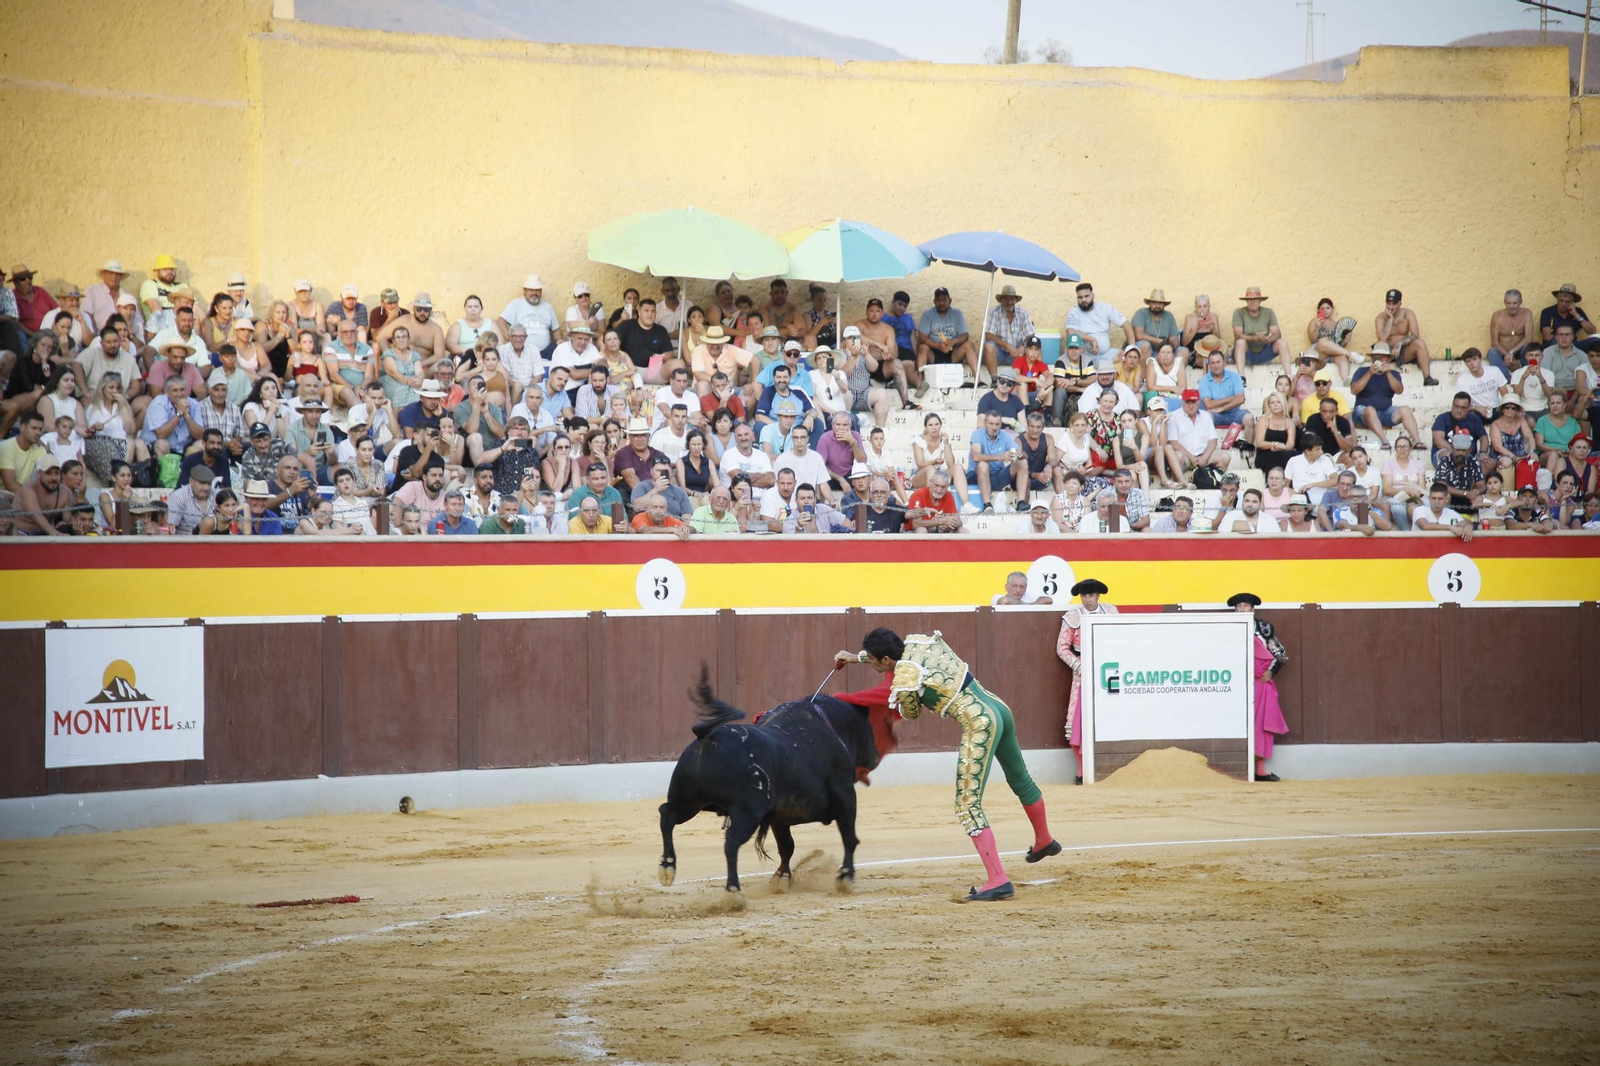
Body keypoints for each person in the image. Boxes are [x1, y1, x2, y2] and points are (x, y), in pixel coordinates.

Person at [833, 628, 1060, 901]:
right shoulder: (917, 643)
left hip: (980, 722)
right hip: (998, 708)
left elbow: (911, 713)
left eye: (873, 660)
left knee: (967, 805)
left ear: (886, 659)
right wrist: (855, 657)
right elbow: (896, 661)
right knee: (1020, 778)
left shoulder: (904, 678)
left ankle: (998, 880)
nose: (873, 665)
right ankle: (1044, 840)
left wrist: (894, 697)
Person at [1056, 579, 1116, 785]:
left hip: (1108, 672)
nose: (1087, 599)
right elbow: (1062, 648)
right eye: (1084, 596)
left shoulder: (1110, 612)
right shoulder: (1073, 617)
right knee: (1078, 722)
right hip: (1083, 674)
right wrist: (1079, 666)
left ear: (1098, 596)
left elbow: (1119, 638)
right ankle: (1081, 771)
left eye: (1091, 595)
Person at [1226, 593, 1290, 782]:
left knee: (1261, 725)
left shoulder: (1263, 629)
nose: (1241, 609)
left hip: (1259, 684)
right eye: (1238, 606)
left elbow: (1280, 654)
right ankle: (1237, 768)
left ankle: (1260, 770)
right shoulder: (1228, 628)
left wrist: (1271, 671)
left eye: (1245, 606)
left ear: (1252, 609)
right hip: (1235, 685)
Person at [1374, 288, 1438, 385]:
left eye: (1394, 304)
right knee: (1379, 345)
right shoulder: (1381, 318)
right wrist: (1390, 320)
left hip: (1403, 351)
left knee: (1420, 343)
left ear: (1400, 303)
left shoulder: (1408, 314)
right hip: (1387, 354)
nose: (1390, 307)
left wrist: (1399, 343)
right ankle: (1380, 378)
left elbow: (1415, 335)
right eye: (1388, 303)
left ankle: (1427, 378)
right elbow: (1382, 339)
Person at [916, 287, 978, 381]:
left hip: (953, 352)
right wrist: (938, 346)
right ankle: (919, 382)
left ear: (950, 301)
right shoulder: (927, 314)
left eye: (944, 299)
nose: (941, 303)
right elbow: (922, 337)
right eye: (938, 300)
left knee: (969, 345)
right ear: (934, 301)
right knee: (922, 348)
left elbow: (965, 335)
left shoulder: (957, 314)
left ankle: (978, 379)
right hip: (933, 352)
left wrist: (953, 342)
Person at [1163, 389, 1224, 485]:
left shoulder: (1206, 416)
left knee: (1224, 457)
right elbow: (1173, 442)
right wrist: (1191, 457)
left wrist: (1205, 457)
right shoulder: (1174, 416)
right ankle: (1180, 484)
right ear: (1182, 402)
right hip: (1185, 456)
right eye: (1188, 402)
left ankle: (1215, 483)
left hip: (1203, 454)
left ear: (1198, 402)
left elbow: (1213, 440)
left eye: (1193, 402)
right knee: (1177, 456)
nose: (1191, 405)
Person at [1197, 349, 1254, 442]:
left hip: (1234, 413)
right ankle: (1207, 447)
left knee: (1249, 418)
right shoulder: (1204, 380)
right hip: (1214, 414)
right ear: (1209, 365)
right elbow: (1208, 405)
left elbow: (1240, 399)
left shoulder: (1235, 377)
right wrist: (1229, 398)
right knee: (1206, 417)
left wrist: (1221, 408)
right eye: (1212, 363)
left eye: (1218, 362)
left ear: (1224, 362)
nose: (1216, 366)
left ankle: (1248, 447)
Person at [981, 285, 1034, 380]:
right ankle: (994, 379)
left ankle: (1035, 377)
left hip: (1017, 354)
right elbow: (989, 335)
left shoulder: (1023, 313)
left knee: (1034, 345)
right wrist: (1008, 346)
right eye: (1006, 299)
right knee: (989, 345)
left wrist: (1023, 346)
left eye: (1012, 299)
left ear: (1015, 300)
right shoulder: (994, 312)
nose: (1009, 302)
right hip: (999, 354)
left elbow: (1030, 334)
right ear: (1001, 300)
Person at [1064, 282, 1127, 359]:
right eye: (1080, 297)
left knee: (1125, 357)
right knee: (1075, 350)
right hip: (1083, 355)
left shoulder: (1104, 308)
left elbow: (1126, 324)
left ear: (1093, 296)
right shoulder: (1074, 311)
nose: (1083, 300)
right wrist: (1092, 339)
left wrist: (1131, 347)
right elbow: (1070, 332)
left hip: (1105, 354)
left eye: (1086, 296)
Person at [1231, 286, 1287, 372]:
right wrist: (1255, 338)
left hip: (1264, 352)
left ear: (1260, 300)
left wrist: (1267, 340)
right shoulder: (1239, 312)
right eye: (1249, 299)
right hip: (1247, 353)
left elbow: (1277, 334)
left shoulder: (1269, 312)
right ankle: (1241, 376)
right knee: (1240, 342)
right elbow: (1238, 335)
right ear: (1246, 301)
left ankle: (1288, 376)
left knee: (1281, 342)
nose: (1252, 302)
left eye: (1255, 299)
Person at [1539, 283, 1598, 353]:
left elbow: (1592, 331)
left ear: (1572, 302)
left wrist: (1577, 316)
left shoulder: (1577, 311)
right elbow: (1547, 336)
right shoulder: (1547, 312)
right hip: (1553, 346)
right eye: (1561, 301)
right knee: (1556, 340)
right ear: (1557, 299)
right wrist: (1565, 341)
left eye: (1567, 302)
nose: (1563, 304)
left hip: (1574, 345)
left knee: (1595, 340)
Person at [1488, 288, 1536, 372]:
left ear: (1520, 302)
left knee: (1529, 348)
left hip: (1519, 351)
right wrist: (1508, 355)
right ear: (1504, 302)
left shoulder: (1526, 313)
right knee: (1492, 352)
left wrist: (1511, 352)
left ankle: (1528, 374)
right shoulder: (1497, 316)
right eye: (1508, 303)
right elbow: (1494, 342)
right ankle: (1506, 377)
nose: (1511, 306)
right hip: (1503, 351)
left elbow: (1528, 338)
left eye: (1515, 303)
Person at [1455, 347, 1509, 421]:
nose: (1472, 363)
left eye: (1474, 359)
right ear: (1466, 364)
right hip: (1477, 411)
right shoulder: (1462, 380)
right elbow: (1459, 403)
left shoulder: (1494, 371)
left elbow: (1506, 395)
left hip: (1495, 409)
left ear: (1480, 359)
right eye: (1468, 361)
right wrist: (1475, 407)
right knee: (1470, 417)